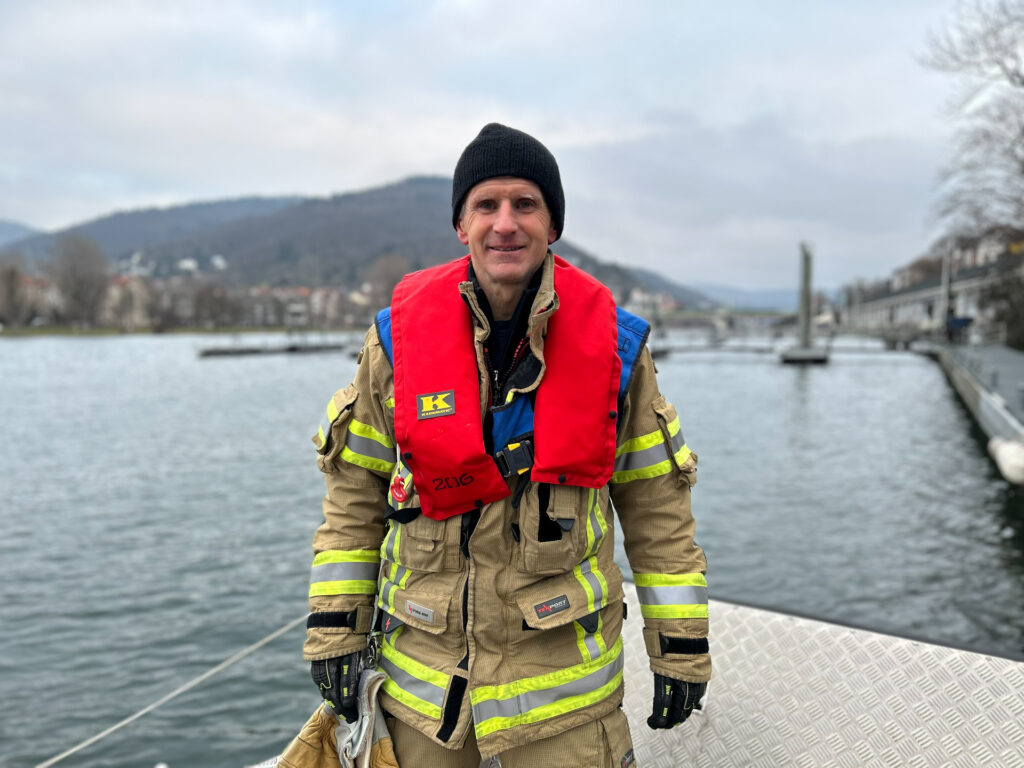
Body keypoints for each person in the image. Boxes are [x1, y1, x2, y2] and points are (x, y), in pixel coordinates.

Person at [304, 123, 710, 767]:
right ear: (461, 225)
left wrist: (680, 646)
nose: (505, 224)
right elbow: (354, 493)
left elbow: (656, 507)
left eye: (526, 204)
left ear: (553, 224)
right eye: (486, 205)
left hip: (566, 693)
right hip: (425, 683)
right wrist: (336, 630)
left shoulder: (616, 350)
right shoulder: (395, 343)